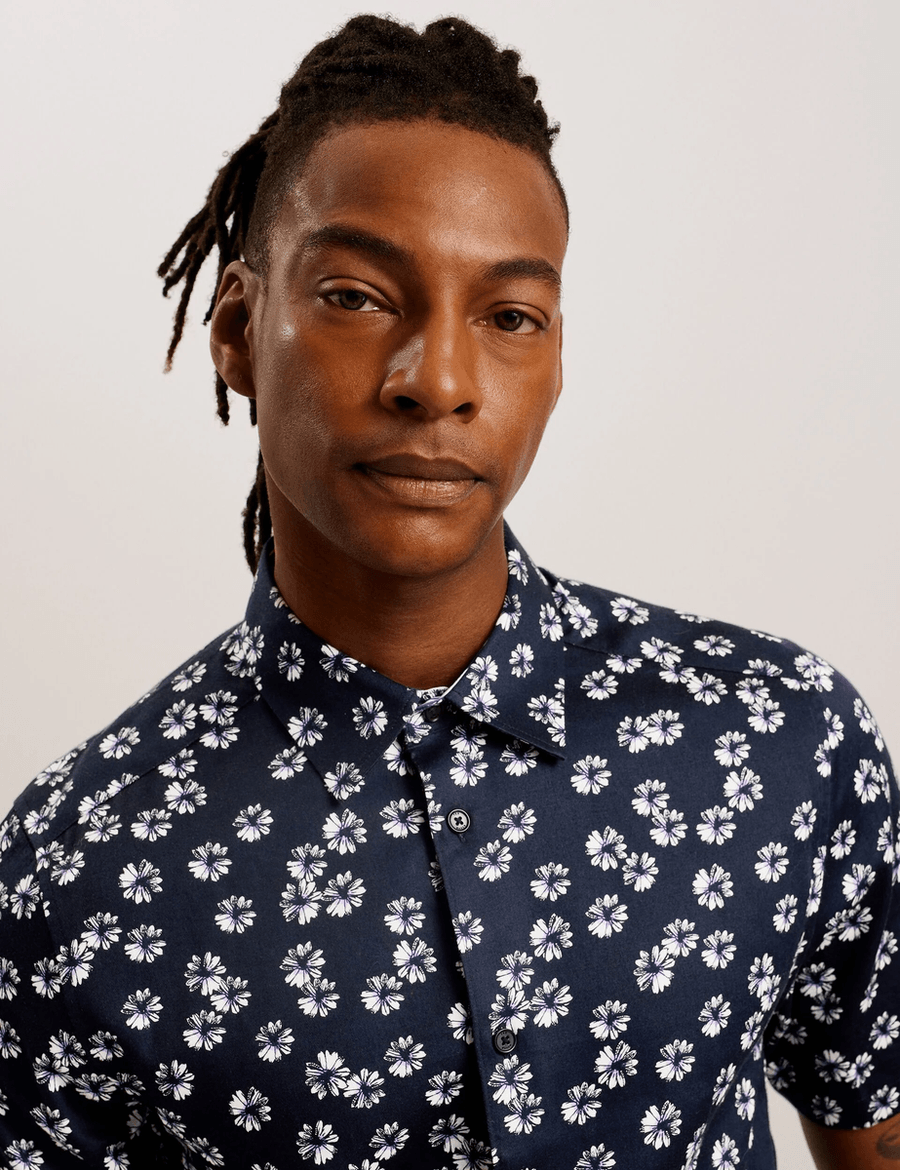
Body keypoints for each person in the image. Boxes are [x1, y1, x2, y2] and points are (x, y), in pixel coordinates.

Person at [0, 14, 897, 1168]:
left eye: (509, 316)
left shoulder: (781, 738)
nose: (439, 381)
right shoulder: (74, 877)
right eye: (359, 296)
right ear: (235, 328)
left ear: (556, 361)